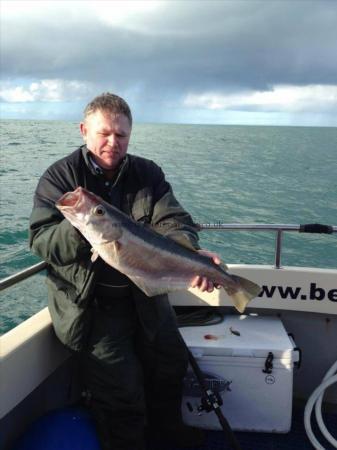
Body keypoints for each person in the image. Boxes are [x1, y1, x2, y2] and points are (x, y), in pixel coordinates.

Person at [29, 93, 220, 450]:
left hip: (146, 297)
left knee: (170, 368)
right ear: (84, 130)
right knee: (122, 396)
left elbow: (173, 220)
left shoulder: (147, 173)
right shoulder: (60, 176)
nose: (112, 143)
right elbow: (42, 241)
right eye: (104, 133)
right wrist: (84, 227)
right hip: (93, 308)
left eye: (121, 136)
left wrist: (189, 254)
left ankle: (169, 441)